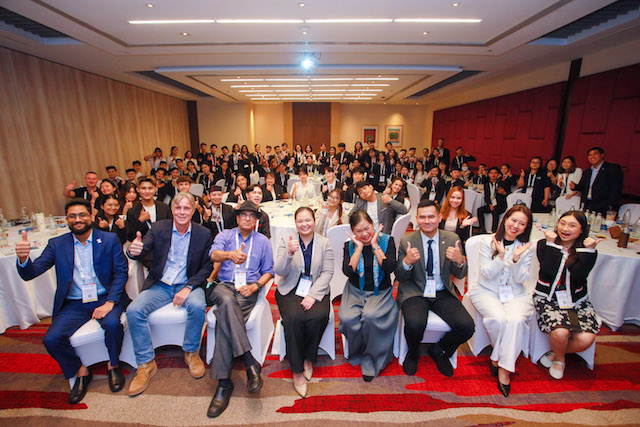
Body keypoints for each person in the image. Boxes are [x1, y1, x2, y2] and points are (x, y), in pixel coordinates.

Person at [16, 199, 128, 404]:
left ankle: (113, 365)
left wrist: (110, 302)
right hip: (75, 302)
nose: (78, 219)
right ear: (67, 220)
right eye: (73, 216)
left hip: (105, 296)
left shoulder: (109, 239)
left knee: (113, 324)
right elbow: (32, 272)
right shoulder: (57, 244)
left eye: (82, 215)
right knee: (51, 339)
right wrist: (24, 259)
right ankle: (80, 370)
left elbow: (121, 272)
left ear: (91, 216)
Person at [125, 193, 213, 396]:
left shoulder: (203, 233)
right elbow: (141, 249)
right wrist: (133, 250)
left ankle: (191, 352)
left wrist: (188, 287)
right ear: (172, 210)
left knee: (198, 306)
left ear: (193, 210)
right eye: (178, 208)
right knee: (133, 311)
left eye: (186, 208)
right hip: (161, 284)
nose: (182, 212)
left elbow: (207, 267)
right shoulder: (158, 228)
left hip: (188, 284)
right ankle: (146, 363)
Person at [207, 201, 274, 418]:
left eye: (251, 216)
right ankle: (249, 361)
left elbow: (269, 271)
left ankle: (224, 384)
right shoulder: (226, 235)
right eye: (243, 215)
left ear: (256, 221)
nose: (247, 218)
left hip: (247, 289)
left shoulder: (263, 241)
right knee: (227, 301)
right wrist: (230, 255)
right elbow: (213, 254)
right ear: (237, 218)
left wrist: (256, 286)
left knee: (225, 319)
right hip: (224, 286)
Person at [395, 199, 474, 377]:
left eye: (431, 217)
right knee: (415, 323)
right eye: (422, 217)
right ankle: (413, 353)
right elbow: (400, 276)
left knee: (467, 326)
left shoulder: (452, 239)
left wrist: (459, 261)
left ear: (439, 218)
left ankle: (440, 349)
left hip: (441, 291)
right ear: (417, 219)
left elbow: (460, 274)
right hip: (415, 291)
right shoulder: (407, 240)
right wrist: (407, 262)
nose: (427, 221)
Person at [469, 205, 534, 396]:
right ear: (505, 219)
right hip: (486, 290)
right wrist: (501, 257)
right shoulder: (488, 241)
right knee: (498, 319)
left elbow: (521, 279)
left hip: (515, 293)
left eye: (522, 223)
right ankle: (499, 360)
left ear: (526, 227)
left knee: (515, 320)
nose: (516, 226)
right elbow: (486, 274)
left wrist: (516, 260)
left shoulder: (526, 248)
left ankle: (502, 366)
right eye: (513, 220)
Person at [274, 207, 334, 397]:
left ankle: (308, 357)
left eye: (308, 220)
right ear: (295, 223)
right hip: (290, 289)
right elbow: (279, 271)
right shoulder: (287, 241)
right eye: (300, 221)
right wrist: (288, 253)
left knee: (319, 316)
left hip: (316, 288)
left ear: (314, 221)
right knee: (293, 319)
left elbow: (328, 272)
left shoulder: (324, 243)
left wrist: (313, 295)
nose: (304, 224)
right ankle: (297, 370)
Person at [534, 210, 601, 380]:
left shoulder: (586, 250)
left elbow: (579, 275)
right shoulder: (544, 244)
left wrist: (588, 252)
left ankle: (555, 352)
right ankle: (560, 359)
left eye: (572, 226)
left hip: (576, 301)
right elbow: (548, 271)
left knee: (586, 339)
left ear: (582, 229)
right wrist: (552, 246)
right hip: (548, 298)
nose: (565, 229)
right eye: (562, 224)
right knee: (560, 333)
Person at [339, 210, 398, 381]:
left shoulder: (387, 240)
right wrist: (358, 248)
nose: (364, 234)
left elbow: (389, 268)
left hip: (380, 292)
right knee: (348, 318)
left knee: (371, 316)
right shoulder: (349, 245)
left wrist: (374, 245)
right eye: (359, 231)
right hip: (355, 290)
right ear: (353, 231)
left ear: (373, 225)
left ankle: (372, 360)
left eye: (367, 228)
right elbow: (348, 271)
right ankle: (358, 352)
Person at [570, 147, 623, 215]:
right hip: (588, 205)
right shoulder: (587, 172)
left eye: (595, 154)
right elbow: (583, 187)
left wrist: (611, 206)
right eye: (590, 155)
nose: (592, 157)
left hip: (604, 206)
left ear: (602, 155)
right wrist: (575, 187)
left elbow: (616, 188)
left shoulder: (612, 168)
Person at [126, 176, 172, 243]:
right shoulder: (132, 211)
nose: (147, 191)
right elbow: (130, 237)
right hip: (143, 246)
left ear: (155, 189)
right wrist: (140, 221)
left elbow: (171, 228)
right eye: (143, 188)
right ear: (138, 189)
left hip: (163, 245)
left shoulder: (164, 207)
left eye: (150, 188)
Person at [477, 167, 510, 233]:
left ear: (498, 175)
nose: (493, 175)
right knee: (479, 210)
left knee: (495, 211)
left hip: (501, 205)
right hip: (491, 204)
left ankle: (494, 231)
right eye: (491, 173)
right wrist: (490, 204)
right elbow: (486, 197)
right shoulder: (486, 185)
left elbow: (510, 194)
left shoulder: (502, 183)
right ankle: (482, 229)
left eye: (495, 173)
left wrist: (504, 193)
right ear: (489, 174)